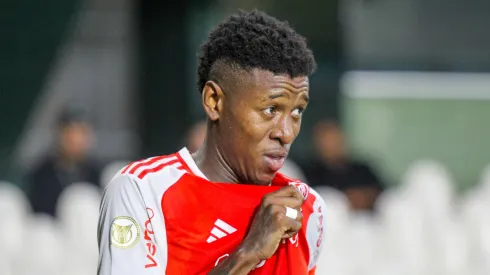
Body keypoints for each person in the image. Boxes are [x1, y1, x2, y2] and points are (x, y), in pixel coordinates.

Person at [98, 10, 326, 275]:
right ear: (214, 101)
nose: (286, 133)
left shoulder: (308, 208)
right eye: (271, 109)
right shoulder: (142, 191)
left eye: (297, 111)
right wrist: (248, 253)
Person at [25, 107, 100, 218]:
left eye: (82, 133)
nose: (76, 140)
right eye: (70, 133)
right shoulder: (42, 174)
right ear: (60, 134)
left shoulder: (96, 173)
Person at [304, 120, 383, 212]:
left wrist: (364, 198)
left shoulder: (362, 169)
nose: (332, 144)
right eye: (326, 140)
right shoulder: (310, 174)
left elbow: (383, 195)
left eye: (335, 138)